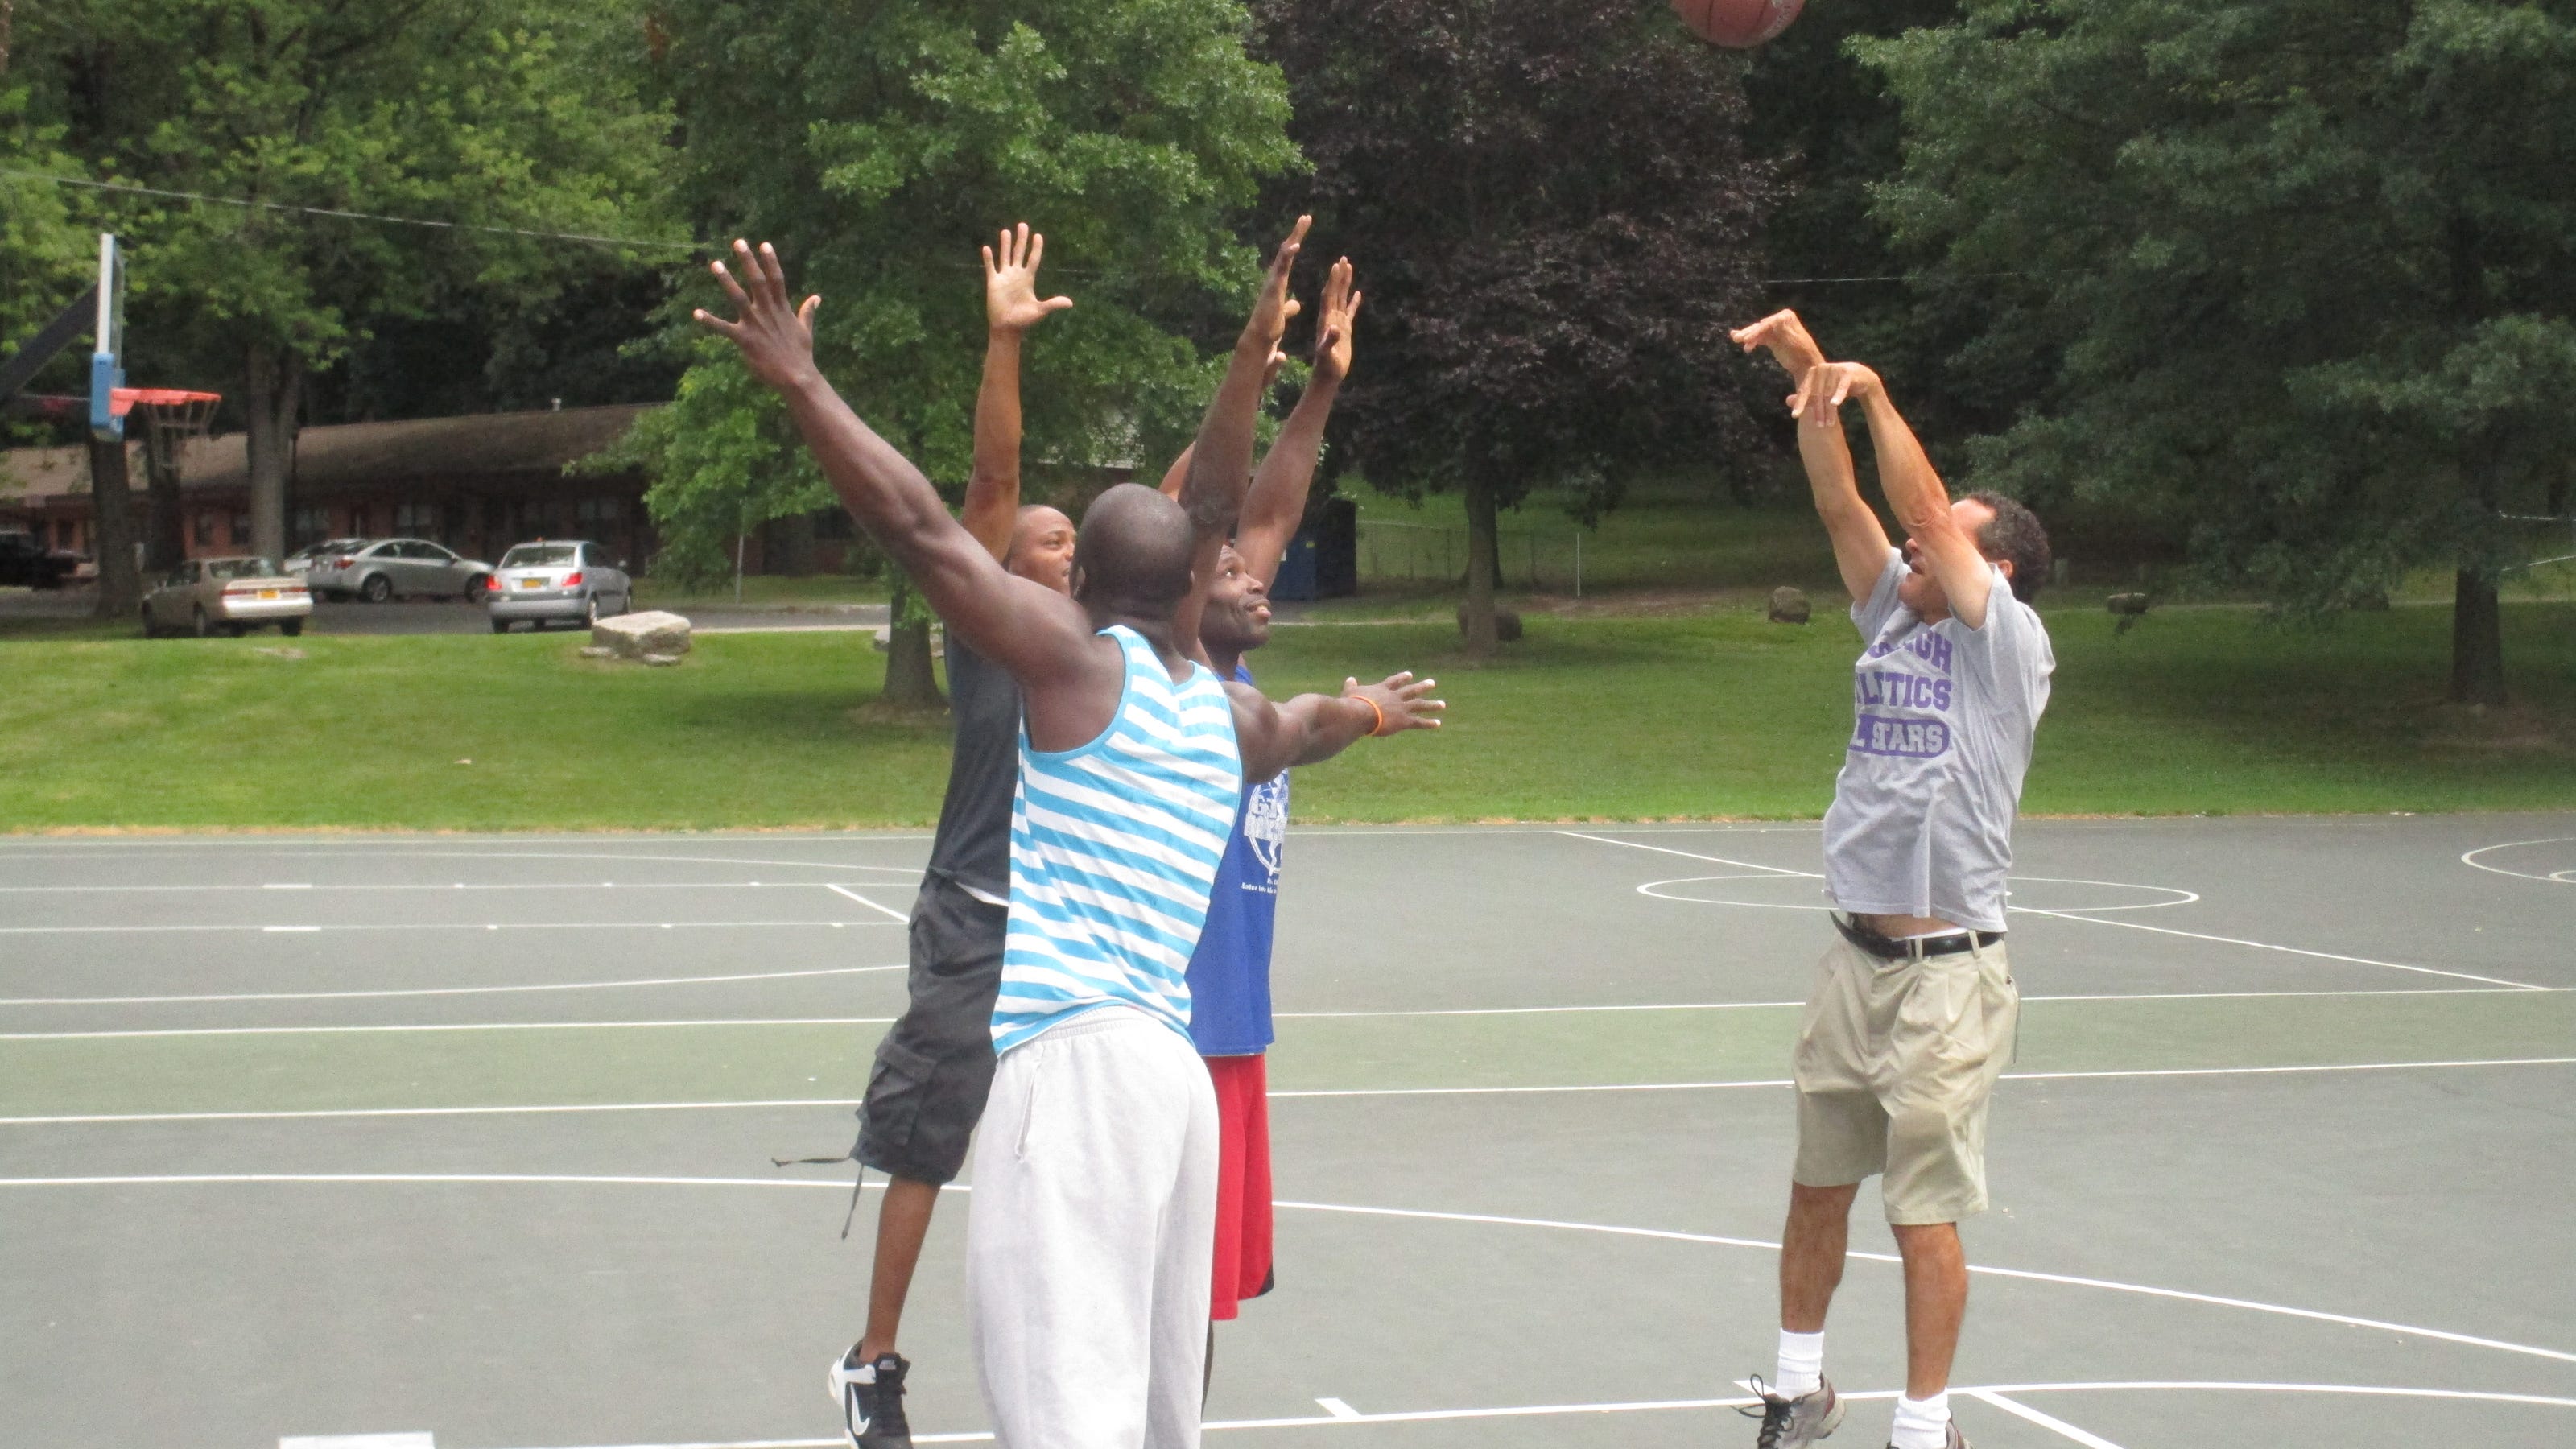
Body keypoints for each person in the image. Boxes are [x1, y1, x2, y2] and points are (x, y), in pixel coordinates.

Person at [695, 223, 1441, 1449]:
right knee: (1155, 1416)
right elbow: (1289, 659)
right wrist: (1262, 352)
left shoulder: (1071, 671)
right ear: (1199, 587)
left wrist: (804, 382)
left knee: (1058, 1412)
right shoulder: (1241, 721)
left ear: (1079, 587)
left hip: (1076, 1073)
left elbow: (926, 531)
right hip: (1172, 1076)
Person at [1728, 310, 2055, 1449]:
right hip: (1855, 962)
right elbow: (1843, 503)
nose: (1915, 552)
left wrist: (1875, 398)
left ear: (1993, 566)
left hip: (1946, 975)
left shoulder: (2004, 647)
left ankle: (1925, 1429)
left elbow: (1918, 510)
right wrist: (1808, 368)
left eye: (1943, 545)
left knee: (1923, 1212)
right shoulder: (1889, 619)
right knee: (1819, 1185)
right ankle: (1796, 1389)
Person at [817, 225, 1076, 1449]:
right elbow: (986, 490)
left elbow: (1196, 505)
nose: (1061, 554)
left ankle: (1069, 1350)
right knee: (930, 1141)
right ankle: (873, 1360)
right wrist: (1002, 347)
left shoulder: (1100, 660)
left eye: (1075, 545)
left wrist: (1275, 354)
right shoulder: (990, 638)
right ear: (1005, 570)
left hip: (1075, 938)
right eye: (1044, 543)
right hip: (980, 917)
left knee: (1068, 1155)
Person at [1153, 258, 1363, 1356]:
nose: (1255, 576)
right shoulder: (1170, 656)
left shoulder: (1238, 680)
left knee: (1199, 1312)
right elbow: (1214, 505)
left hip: (1234, 1025)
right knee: (1152, 1296)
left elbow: (1272, 507)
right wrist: (1251, 363)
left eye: (1257, 570)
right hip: (1167, 1030)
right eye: (1229, 568)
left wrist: (1320, 386)